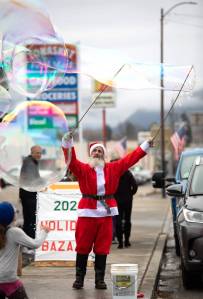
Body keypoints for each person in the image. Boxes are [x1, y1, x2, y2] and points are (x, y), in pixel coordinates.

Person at [62, 132, 153, 290]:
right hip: (87, 213)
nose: (97, 153)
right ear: (91, 155)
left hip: (106, 213)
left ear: (104, 155)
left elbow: (130, 159)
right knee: (83, 246)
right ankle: (79, 279)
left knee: (102, 247)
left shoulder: (114, 168)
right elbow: (70, 161)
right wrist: (67, 142)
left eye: (100, 151)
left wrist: (145, 145)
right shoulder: (82, 169)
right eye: (94, 151)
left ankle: (99, 280)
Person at [0, 201, 50, 299]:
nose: (16, 213)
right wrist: (44, 231)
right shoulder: (14, 232)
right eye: (14, 212)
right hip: (9, 279)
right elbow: (35, 244)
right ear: (10, 217)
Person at [19, 145, 42, 240]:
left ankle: (27, 241)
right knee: (31, 219)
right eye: (37, 153)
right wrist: (42, 183)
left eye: (40, 153)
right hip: (29, 195)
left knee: (28, 219)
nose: (39, 155)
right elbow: (33, 180)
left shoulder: (31, 162)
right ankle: (29, 243)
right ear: (32, 153)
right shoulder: (29, 163)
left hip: (28, 194)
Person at [114, 167, 138, 249]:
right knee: (128, 220)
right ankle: (127, 241)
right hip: (128, 200)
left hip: (116, 200)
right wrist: (131, 194)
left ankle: (120, 243)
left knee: (118, 221)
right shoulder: (128, 173)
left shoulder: (114, 173)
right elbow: (135, 186)